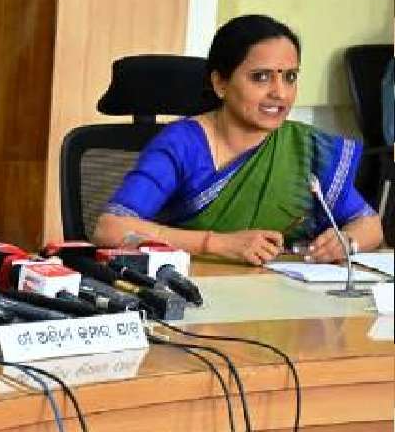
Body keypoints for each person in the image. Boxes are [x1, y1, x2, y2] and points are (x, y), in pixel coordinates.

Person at [93, 14, 383, 265]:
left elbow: (369, 225)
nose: (280, 93)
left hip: (281, 294)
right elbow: (110, 229)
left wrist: (346, 241)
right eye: (261, 77)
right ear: (220, 83)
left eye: (290, 77)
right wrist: (217, 244)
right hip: (193, 290)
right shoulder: (183, 144)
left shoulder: (306, 148)